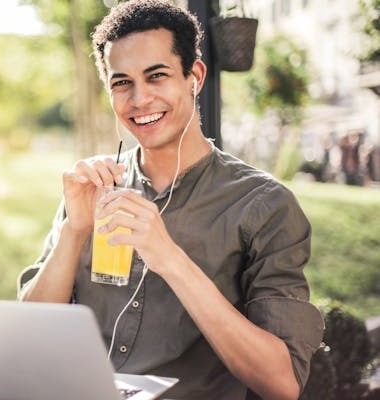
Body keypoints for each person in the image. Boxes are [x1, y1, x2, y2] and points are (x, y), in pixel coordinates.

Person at [17, 1, 324, 399]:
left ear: (193, 76)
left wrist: (169, 257)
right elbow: (27, 333)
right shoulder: (95, 188)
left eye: (156, 76)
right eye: (121, 82)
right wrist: (74, 232)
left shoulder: (264, 206)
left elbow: (281, 383)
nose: (139, 99)